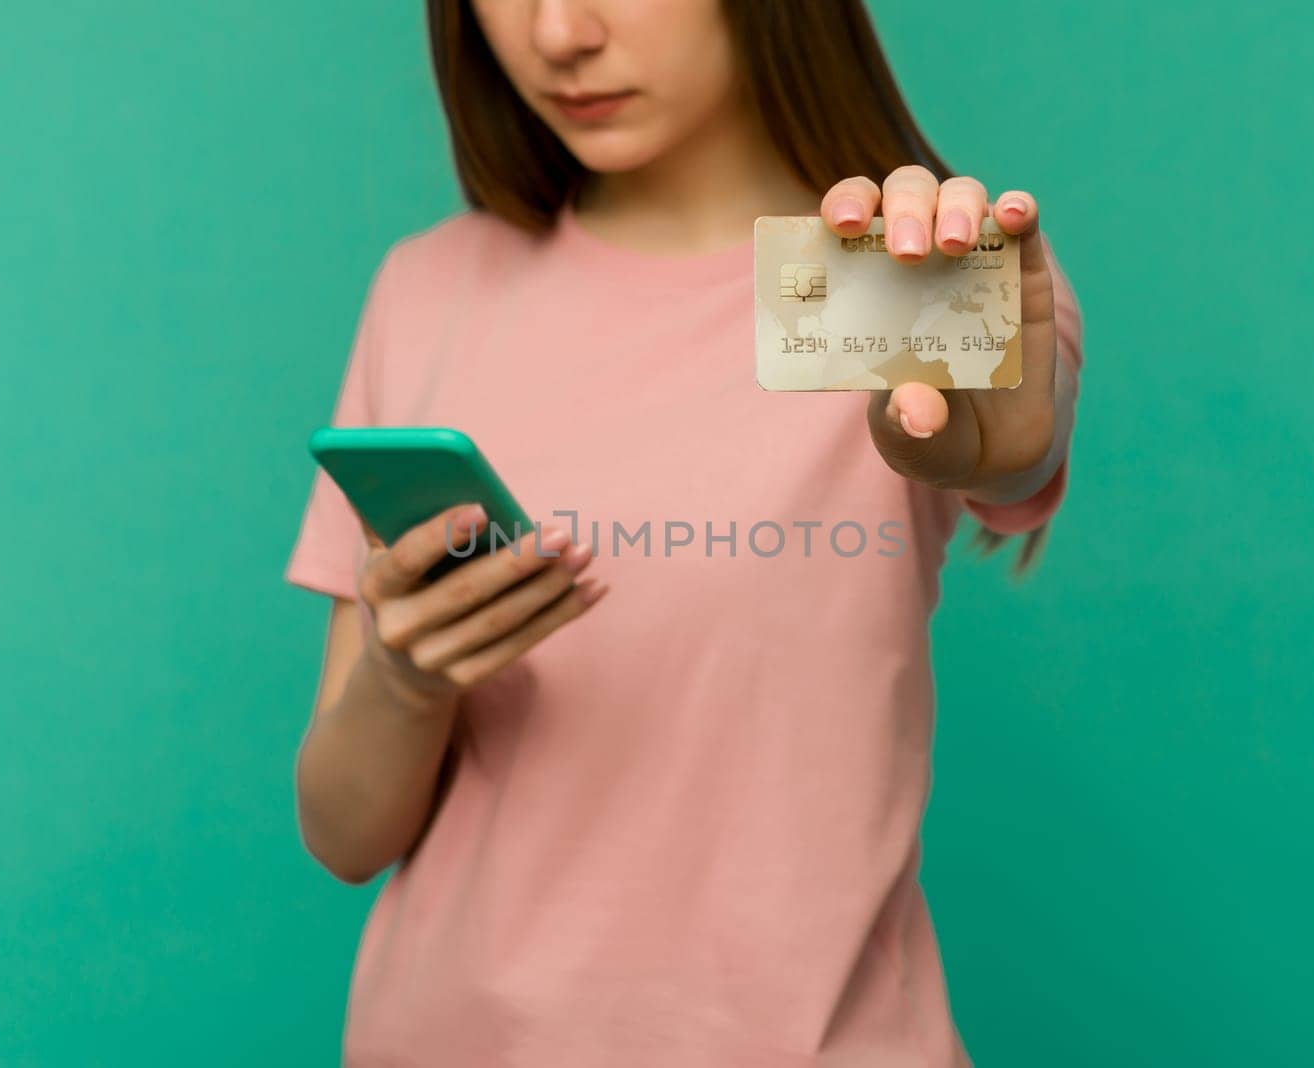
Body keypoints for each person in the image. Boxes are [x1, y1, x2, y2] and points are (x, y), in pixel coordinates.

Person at [284, 0, 1084, 1063]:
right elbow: (344, 836)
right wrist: (404, 680)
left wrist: (999, 438)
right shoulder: (430, 288)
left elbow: (1002, 436)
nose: (558, 33)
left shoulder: (895, 279)